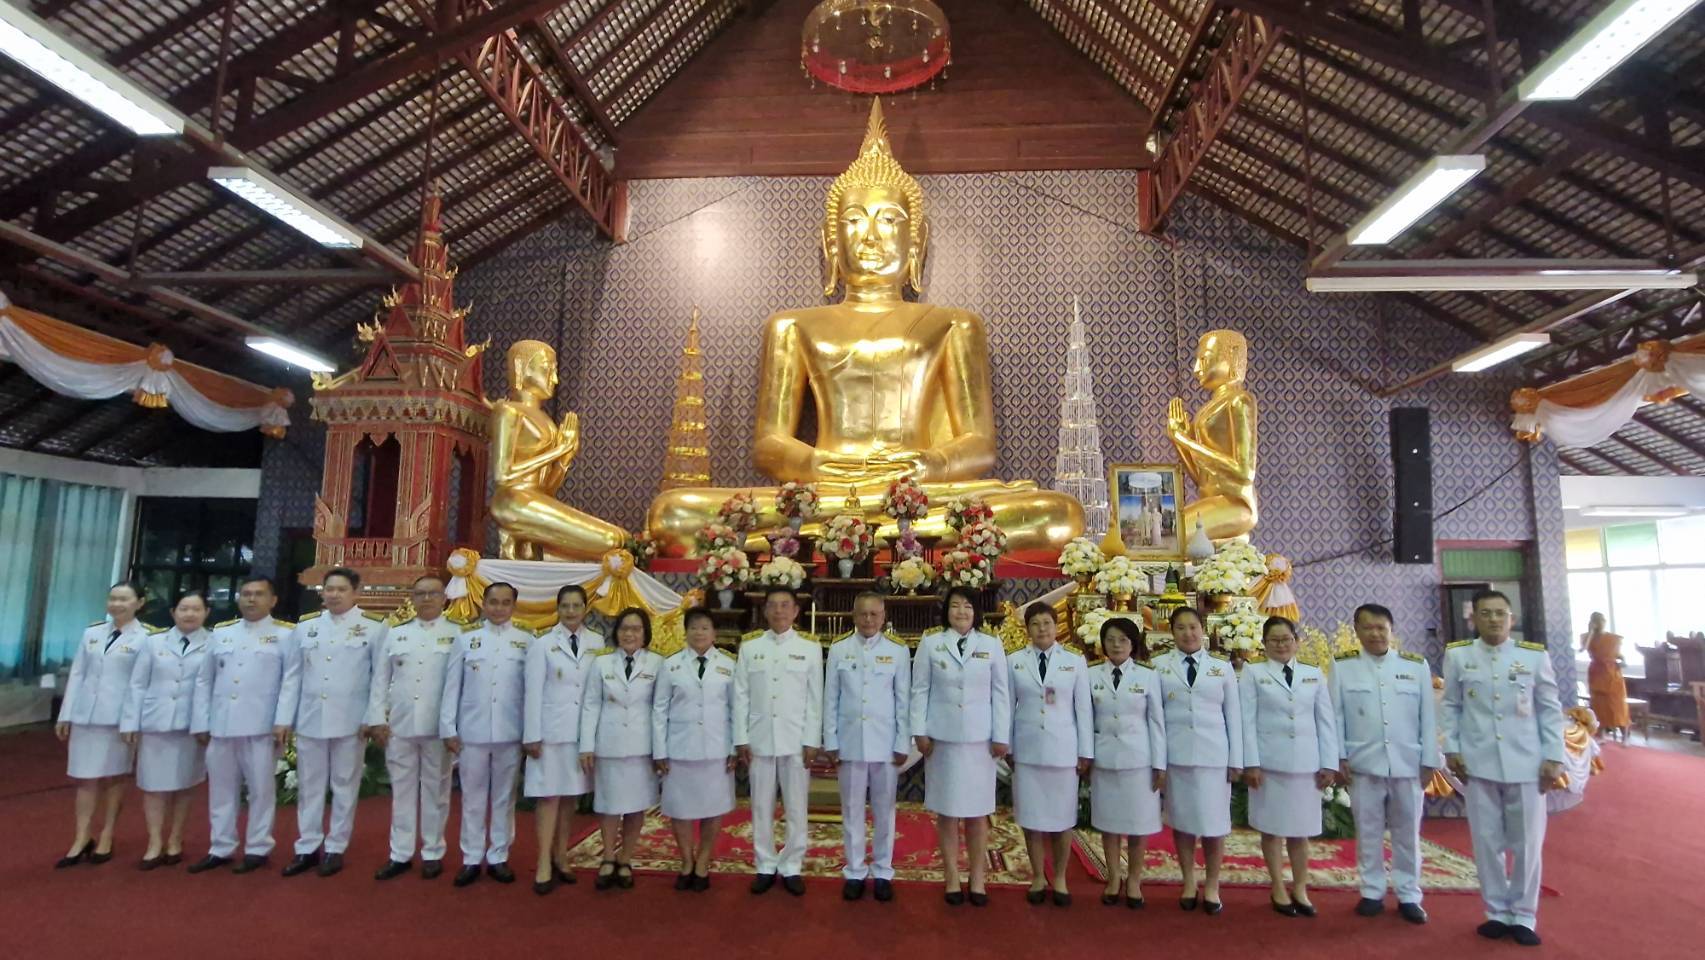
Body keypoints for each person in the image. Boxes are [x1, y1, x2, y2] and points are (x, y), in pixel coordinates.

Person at [1442, 590, 1565, 948]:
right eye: (1486, 613)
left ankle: (1524, 914)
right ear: (1474, 618)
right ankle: (1496, 910)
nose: (1493, 620)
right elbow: (1451, 706)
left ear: (1511, 618)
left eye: (1500, 613)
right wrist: (1451, 748)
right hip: (1479, 763)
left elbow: (1550, 709)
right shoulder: (1460, 656)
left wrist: (1553, 755)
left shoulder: (1533, 656)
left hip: (1526, 763)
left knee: (1527, 843)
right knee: (1486, 842)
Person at [1331, 603, 1437, 924]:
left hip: (1407, 763)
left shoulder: (1415, 666)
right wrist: (1338, 756)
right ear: (1357, 631)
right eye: (1368, 627)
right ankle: (1372, 891)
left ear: (1392, 630)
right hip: (1364, 763)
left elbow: (1428, 718)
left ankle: (1409, 894)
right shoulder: (1342, 666)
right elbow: (1335, 715)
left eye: (1381, 627)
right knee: (1368, 830)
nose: (1375, 633)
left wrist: (1430, 758)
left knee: (1408, 832)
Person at [188, 576, 300, 874]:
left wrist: (283, 720)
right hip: (222, 723)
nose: (251, 599)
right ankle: (220, 846)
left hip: (261, 725)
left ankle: (257, 847)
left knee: (261, 790)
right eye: (246, 594)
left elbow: (291, 681)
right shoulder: (222, 633)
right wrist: (201, 721)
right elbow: (204, 680)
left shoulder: (285, 635)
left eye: (259, 594)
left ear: (273, 600)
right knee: (221, 790)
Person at [909, 585, 1011, 907]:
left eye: (968, 606)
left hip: (980, 742)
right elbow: (919, 689)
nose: (962, 612)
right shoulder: (932, 643)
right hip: (942, 740)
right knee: (948, 811)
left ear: (976, 611)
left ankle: (977, 877)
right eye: (955, 606)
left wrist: (1001, 735)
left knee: (978, 813)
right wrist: (919, 731)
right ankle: (952, 875)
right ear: (946, 611)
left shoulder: (991, 644)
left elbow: (1001, 694)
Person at [284, 567, 386, 878]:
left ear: (356, 592)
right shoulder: (306, 628)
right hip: (311, 716)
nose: (334, 595)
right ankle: (306, 846)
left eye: (342, 589)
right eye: (329, 589)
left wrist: (374, 717)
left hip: (351, 719)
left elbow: (379, 678)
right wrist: (283, 719)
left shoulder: (373, 628)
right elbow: (293, 677)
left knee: (344, 785)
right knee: (310, 787)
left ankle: (336, 847)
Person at [1240, 616, 1338, 917]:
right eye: (1274, 640)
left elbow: (1326, 722)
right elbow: (1247, 721)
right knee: (1272, 829)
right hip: (1269, 765)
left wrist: (1329, 763)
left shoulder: (1312, 674)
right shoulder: (1254, 673)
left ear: (1296, 641)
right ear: (1264, 644)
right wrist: (1251, 763)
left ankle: (1300, 887)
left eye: (1286, 639)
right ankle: (1277, 886)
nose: (1281, 645)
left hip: (1306, 764)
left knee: (1301, 830)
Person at [55, 581, 155, 868]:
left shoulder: (146, 637)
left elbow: (140, 684)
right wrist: (66, 714)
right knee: (85, 778)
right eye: (113, 598)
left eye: (124, 599)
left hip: (118, 720)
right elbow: (78, 674)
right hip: (86, 715)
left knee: (114, 778)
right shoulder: (92, 633)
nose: (117, 604)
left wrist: (132, 720)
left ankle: (107, 834)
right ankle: (81, 837)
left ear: (139, 602)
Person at [367, 575, 461, 881]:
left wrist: (454, 726)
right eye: (420, 594)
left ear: (444, 598)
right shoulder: (396, 634)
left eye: (433, 593)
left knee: (437, 792)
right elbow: (380, 680)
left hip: (438, 728)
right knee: (402, 792)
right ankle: (400, 853)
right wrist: (377, 719)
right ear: (412, 597)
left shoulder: (457, 633)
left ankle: (433, 851)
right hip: (401, 726)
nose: (427, 599)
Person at [734, 586, 824, 897]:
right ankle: (764, 863)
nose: (779, 611)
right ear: (765, 610)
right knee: (760, 804)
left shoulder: (810, 649)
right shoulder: (750, 648)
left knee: (797, 806)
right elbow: (741, 695)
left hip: (796, 739)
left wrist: (813, 739)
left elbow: (815, 700)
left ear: (796, 611)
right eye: (773, 606)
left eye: (786, 606)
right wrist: (741, 738)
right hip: (759, 738)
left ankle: (792, 865)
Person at [1151, 606, 1241, 915]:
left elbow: (1234, 716)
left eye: (1193, 627)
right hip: (1178, 756)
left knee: (1214, 825)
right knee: (1183, 822)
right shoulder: (1158, 666)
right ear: (1171, 631)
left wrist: (1237, 760)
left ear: (1202, 629)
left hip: (1215, 757)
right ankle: (1188, 881)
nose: (1188, 633)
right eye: (1180, 628)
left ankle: (1213, 884)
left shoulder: (1221, 666)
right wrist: (1158, 763)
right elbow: (1156, 719)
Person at [823, 591, 911, 902]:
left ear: (884, 616)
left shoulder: (897, 652)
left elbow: (903, 701)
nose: (869, 620)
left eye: (874, 614)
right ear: (854, 615)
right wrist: (830, 740)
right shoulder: (839, 649)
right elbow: (830, 698)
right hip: (849, 743)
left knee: (885, 811)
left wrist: (903, 741)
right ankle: (855, 870)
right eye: (863, 614)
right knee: (851, 810)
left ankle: (884, 870)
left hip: (886, 744)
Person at [440, 581, 528, 887]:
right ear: (483, 604)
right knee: (473, 798)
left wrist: (530, 733)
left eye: (505, 603)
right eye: (493, 602)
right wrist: (448, 728)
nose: (499, 608)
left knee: (504, 799)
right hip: (473, 732)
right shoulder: (466, 641)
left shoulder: (526, 642)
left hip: (510, 731)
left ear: (513, 606)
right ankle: (471, 857)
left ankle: (499, 856)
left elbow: (530, 693)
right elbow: (452, 688)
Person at [120, 589, 213, 870]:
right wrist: (130, 721)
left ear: (206, 613)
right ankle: (154, 841)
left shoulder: (215, 643)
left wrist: (206, 724)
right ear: (173, 612)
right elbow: (137, 684)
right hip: (155, 722)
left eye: (196, 609)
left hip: (191, 726)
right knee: (153, 785)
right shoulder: (153, 642)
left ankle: (175, 839)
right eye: (184, 608)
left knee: (185, 784)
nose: (189, 614)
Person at [1008, 602, 1092, 907]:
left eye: (1047, 623)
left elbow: (1083, 709)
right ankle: (1038, 877)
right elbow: (1007, 706)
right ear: (1027, 629)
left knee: (1062, 818)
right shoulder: (1015, 661)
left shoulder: (1074, 661)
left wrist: (1086, 751)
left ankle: (1059, 878)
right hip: (1027, 748)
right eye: (1035, 624)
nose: (1042, 629)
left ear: (1056, 627)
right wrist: (1008, 745)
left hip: (1063, 750)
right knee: (1031, 817)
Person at [523, 584, 604, 895]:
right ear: (557, 609)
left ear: (585, 609)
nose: (571, 611)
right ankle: (543, 860)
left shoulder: (596, 642)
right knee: (548, 796)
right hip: (550, 732)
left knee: (570, 796)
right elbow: (532, 693)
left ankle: (561, 855)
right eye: (566, 606)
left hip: (581, 733)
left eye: (577, 606)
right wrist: (532, 735)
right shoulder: (542, 644)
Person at [653, 606, 737, 893]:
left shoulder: (728, 665)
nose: (699, 632)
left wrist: (735, 747)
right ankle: (686, 860)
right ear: (685, 632)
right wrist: (659, 750)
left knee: (714, 807)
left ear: (714, 633)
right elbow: (659, 709)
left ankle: (703, 859)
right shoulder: (671, 665)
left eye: (705, 627)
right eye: (694, 627)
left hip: (717, 748)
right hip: (679, 748)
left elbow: (736, 710)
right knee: (681, 808)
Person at [580, 606, 663, 891]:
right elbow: (591, 705)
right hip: (609, 743)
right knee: (609, 804)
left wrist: (660, 750)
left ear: (645, 634)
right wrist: (586, 745)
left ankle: (626, 858)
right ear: (616, 633)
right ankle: (607, 856)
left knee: (637, 805)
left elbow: (660, 710)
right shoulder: (601, 664)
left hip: (642, 746)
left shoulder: (657, 664)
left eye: (636, 629)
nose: (630, 634)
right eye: (625, 628)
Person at [1088, 616, 1165, 908]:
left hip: (1139, 760)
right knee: (1109, 823)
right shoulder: (1091, 674)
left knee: (1137, 824)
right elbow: (1085, 719)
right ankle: (1113, 877)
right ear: (1102, 644)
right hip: (1105, 757)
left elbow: (1156, 723)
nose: (1116, 645)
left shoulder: (1148, 675)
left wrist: (1160, 764)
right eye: (1110, 640)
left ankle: (1134, 879)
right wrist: (1086, 756)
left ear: (1134, 644)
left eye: (1122, 640)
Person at [1580, 613, 1629, 740]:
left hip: (1612, 674)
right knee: (1598, 704)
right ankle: (1601, 734)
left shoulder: (1613, 639)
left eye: (1601, 620)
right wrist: (1591, 632)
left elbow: (1619, 655)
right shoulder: (1587, 637)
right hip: (1597, 673)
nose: (1600, 623)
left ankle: (1625, 735)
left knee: (1617, 705)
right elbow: (1583, 648)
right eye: (1596, 621)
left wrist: (1623, 662)